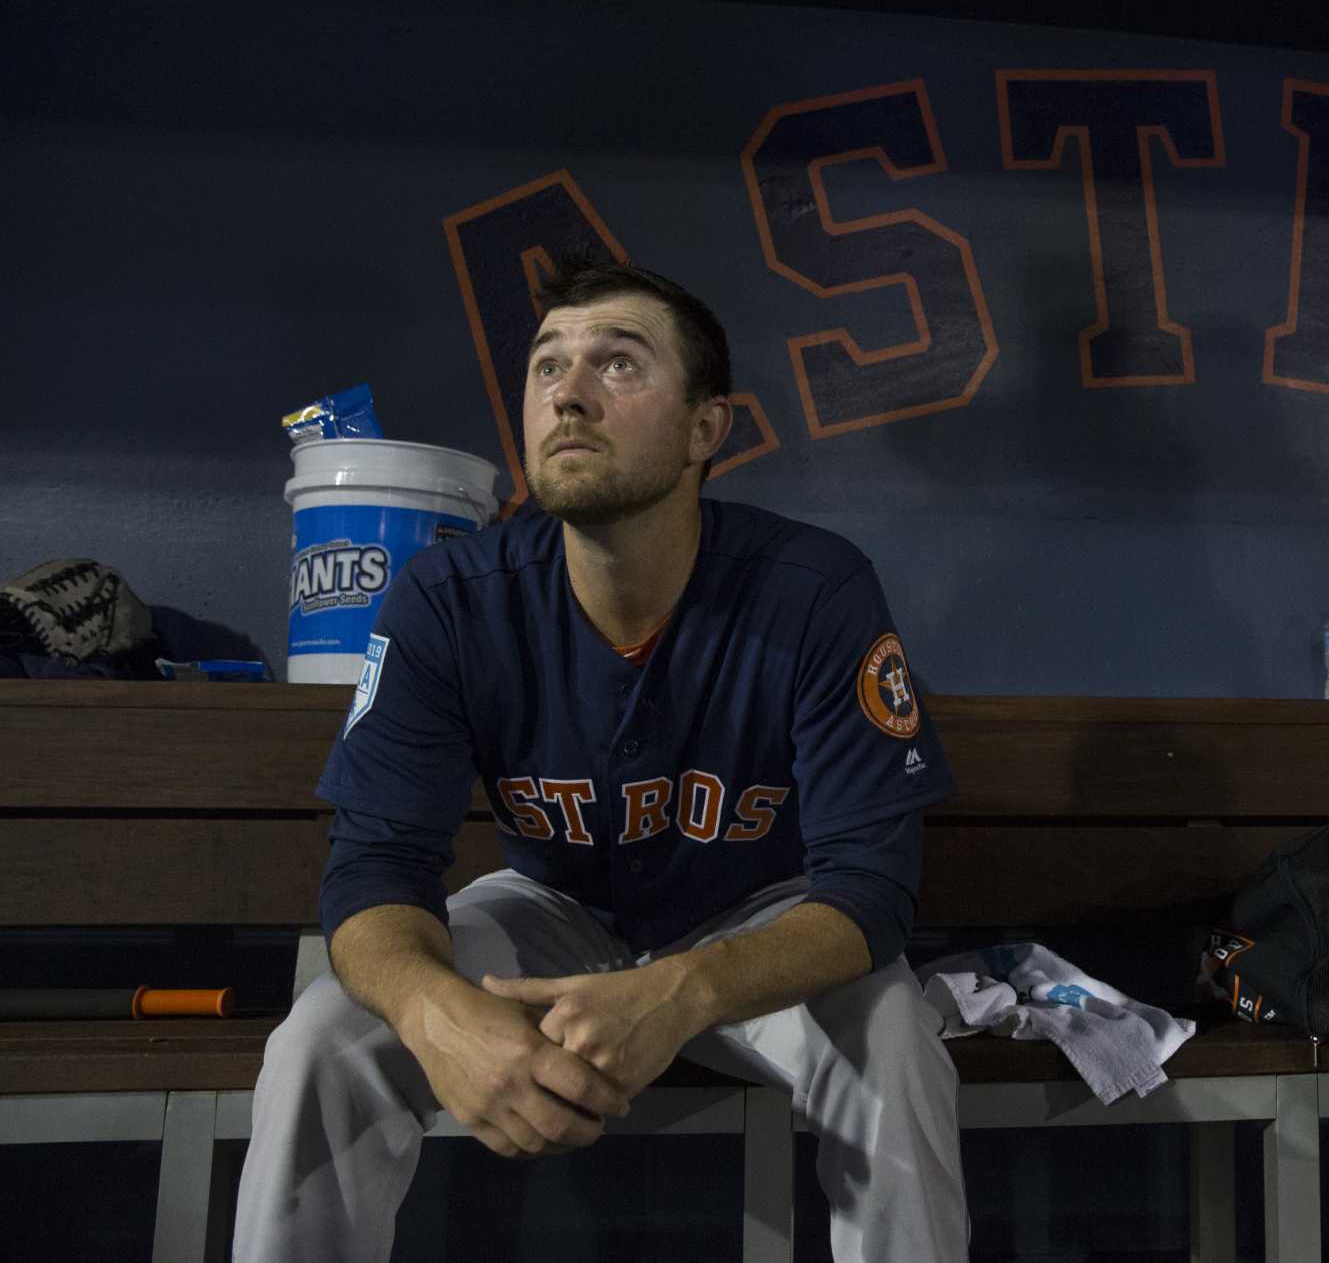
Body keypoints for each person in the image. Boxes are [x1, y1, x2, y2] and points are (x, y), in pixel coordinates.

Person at [234, 257, 966, 1261]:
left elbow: (871, 892)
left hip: (755, 924)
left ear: (707, 429)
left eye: (618, 365)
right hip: (551, 914)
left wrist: (686, 990)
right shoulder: (449, 597)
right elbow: (374, 868)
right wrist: (432, 1009)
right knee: (319, 1040)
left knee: (892, 1039)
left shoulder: (812, 590)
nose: (568, 394)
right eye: (547, 368)